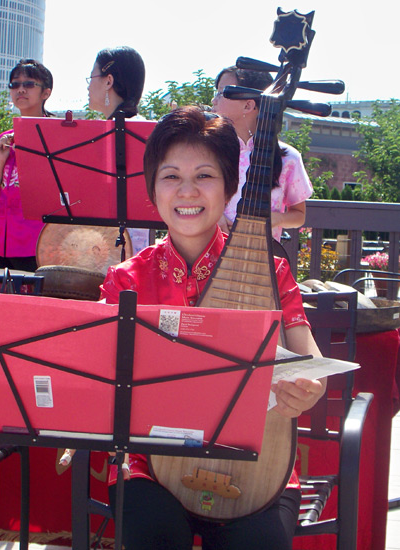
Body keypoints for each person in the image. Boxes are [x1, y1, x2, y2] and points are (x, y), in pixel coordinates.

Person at [100, 106, 326, 550]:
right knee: (153, 534)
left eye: (204, 175)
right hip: (148, 464)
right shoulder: (126, 279)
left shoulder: (272, 271)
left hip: (256, 463)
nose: (187, 191)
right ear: (152, 189)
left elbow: (311, 359)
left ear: (229, 188)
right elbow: (102, 380)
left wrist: (309, 384)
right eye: (170, 176)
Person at [212, 66, 313, 241]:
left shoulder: (288, 157)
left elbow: (299, 215)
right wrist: (214, 217)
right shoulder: (209, 149)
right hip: (210, 252)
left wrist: (275, 219)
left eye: (222, 93)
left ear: (248, 105)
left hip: (260, 259)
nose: (214, 100)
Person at [0, 59, 53, 272]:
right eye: (14, 84)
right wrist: (0, 160)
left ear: (46, 93)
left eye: (29, 84)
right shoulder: (4, 139)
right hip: (1, 246)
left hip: (38, 245)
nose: (20, 89)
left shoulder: (54, 137)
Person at [87, 46, 150, 255]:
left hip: (122, 246)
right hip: (123, 241)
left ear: (108, 81)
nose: (88, 87)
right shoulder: (143, 128)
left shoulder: (129, 132)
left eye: (91, 78)